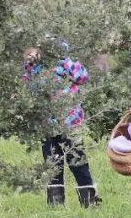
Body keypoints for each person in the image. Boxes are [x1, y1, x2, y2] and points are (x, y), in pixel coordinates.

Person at [22, 45, 102, 208]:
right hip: (47, 125)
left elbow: (82, 77)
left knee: (78, 163)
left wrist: (66, 62)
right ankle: (55, 204)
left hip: (70, 124)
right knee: (52, 166)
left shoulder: (66, 64)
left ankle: (90, 202)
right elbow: (28, 87)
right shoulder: (34, 68)